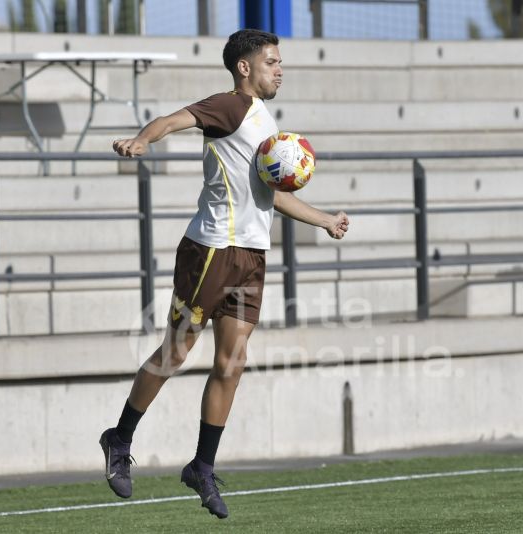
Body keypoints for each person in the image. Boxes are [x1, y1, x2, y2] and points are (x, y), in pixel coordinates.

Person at [100, 28, 349, 519]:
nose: (280, 70)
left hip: (251, 255)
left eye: (280, 62)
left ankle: (201, 466)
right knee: (176, 351)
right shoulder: (231, 105)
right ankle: (119, 437)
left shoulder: (263, 120)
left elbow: (270, 194)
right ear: (245, 67)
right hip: (212, 251)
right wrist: (142, 140)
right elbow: (172, 120)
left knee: (232, 363)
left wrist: (323, 219)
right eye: (272, 62)